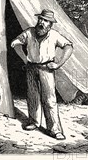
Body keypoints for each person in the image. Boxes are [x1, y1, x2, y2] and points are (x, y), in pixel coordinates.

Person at [10, 9, 73, 140]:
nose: (41, 23)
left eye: (45, 21)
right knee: (32, 96)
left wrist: (58, 64)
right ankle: (34, 122)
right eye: (40, 19)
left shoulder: (54, 35)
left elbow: (69, 46)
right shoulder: (29, 32)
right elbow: (15, 43)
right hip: (31, 68)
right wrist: (24, 59)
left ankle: (55, 129)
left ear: (50, 24)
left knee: (49, 100)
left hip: (46, 69)